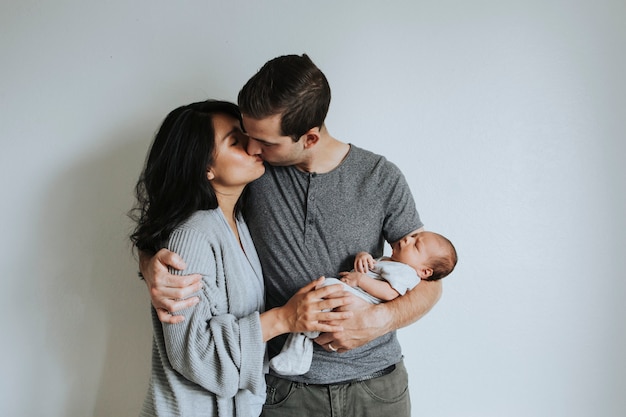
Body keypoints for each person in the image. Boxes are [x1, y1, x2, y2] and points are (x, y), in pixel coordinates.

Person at [140, 54, 443, 417]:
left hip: (377, 387)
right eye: (245, 137)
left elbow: (430, 279)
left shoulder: (380, 177)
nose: (254, 148)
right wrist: (150, 265)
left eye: (264, 141)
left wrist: (377, 320)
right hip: (283, 391)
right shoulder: (252, 175)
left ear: (309, 137)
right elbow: (178, 220)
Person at [129, 100, 352, 417]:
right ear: (204, 166)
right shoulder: (193, 235)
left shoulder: (239, 221)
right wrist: (284, 319)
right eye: (235, 141)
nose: (252, 146)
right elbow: (196, 354)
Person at [269, 231, 457, 375]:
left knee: (328, 288)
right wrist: (363, 258)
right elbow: (373, 269)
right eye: (414, 236)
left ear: (424, 272)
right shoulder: (391, 261)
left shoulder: (406, 273)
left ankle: (301, 342)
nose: (407, 239)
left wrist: (360, 280)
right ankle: (298, 349)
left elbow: (390, 293)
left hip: (362, 300)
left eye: (416, 245)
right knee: (321, 295)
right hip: (354, 292)